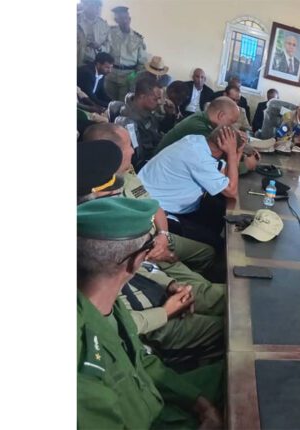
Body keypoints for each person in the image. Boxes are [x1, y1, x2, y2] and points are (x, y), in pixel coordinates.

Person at [77, 138, 225, 366]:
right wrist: (164, 313)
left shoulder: (105, 230)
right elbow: (108, 326)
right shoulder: (94, 241)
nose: (132, 149)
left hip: (152, 284)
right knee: (229, 325)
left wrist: (168, 283)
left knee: (217, 296)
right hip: (150, 326)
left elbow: (135, 262)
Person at [77, 197, 224, 428]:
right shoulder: (82, 361)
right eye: (149, 247)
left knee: (238, 373)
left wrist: (199, 403)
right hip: (152, 418)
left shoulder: (110, 306)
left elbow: (143, 362)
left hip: (152, 398)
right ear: (136, 261)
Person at [139, 126, 242, 250]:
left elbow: (224, 174)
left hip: (162, 202)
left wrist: (236, 153)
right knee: (218, 245)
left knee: (218, 208)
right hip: (159, 214)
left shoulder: (195, 141)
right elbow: (231, 191)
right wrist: (232, 154)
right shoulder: (199, 158)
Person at [114, 78, 176, 169]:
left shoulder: (146, 110)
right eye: (156, 99)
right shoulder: (131, 120)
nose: (159, 103)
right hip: (149, 159)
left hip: (157, 148)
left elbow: (160, 128)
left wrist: (169, 115)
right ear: (142, 97)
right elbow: (137, 156)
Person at [105, 6, 148, 102]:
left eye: (125, 18)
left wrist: (132, 77)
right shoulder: (110, 33)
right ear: (116, 20)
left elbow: (142, 63)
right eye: (120, 19)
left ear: (129, 19)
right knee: (107, 102)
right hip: (111, 73)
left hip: (128, 76)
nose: (124, 21)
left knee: (123, 104)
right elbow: (105, 52)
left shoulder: (138, 39)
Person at [77, 0, 109, 65]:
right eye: (92, 5)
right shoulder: (77, 19)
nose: (96, 8)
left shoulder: (103, 25)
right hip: (78, 61)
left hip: (96, 64)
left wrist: (99, 47)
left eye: (98, 6)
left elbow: (108, 46)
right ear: (85, 5)